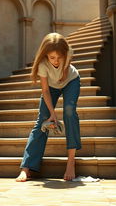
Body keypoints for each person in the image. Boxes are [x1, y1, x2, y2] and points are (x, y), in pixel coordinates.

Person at [16, 32, 81, 182]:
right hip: (50, 87)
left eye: (59, 57)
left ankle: (71, 162)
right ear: (45, 55)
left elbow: (64, 75)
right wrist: (52, 114)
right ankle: (26, 168)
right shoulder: (42, 65)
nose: (56, 61)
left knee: (69, 113)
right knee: (42, 120)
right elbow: (45, 90)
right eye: (52, 57)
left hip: (71, 81)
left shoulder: (68, 53)